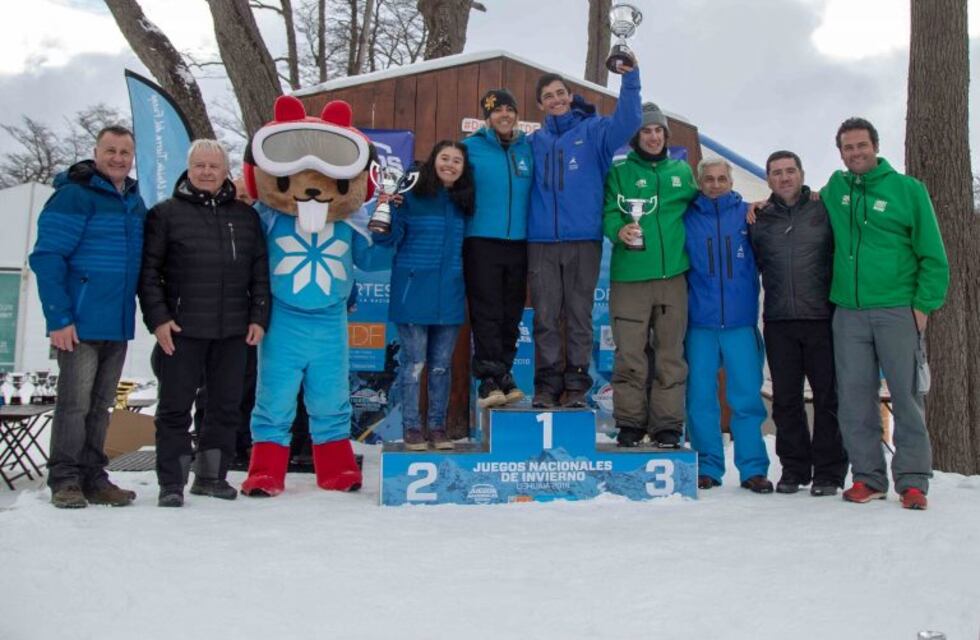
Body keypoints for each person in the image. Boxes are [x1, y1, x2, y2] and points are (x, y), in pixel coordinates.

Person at [821, 118, 949, 510]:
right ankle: (868, 477)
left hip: (896, 309)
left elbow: (933, 254)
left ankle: (912, 481)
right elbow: (804, 199)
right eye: (848, 147)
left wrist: (924, 305)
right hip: (849, 311)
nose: (855, 153)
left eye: (861, 145)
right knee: (855, 398)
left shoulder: (907, 190)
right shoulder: (836, 189)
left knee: (907, 397)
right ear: (840, 153)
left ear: (875, 146)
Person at [139, 139, 270, 507]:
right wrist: (159, 319)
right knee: (174, 408)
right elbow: (149, 273)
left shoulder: (246, 217)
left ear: (224, 171)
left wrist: (259, 316)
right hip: (181, 330)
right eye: (200, 165)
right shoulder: (165, 214)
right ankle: (172, 483)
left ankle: (212, 476)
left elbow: (260, 271)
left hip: (233, 330)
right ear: (189, 168)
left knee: (225, 406)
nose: (207, 172)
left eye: (214, 166)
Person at [29, 125, 146, 508]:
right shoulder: (74, 197)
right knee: (74, 404)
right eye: (110, 150)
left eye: (124, 152)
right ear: (95, 153)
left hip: (116, 322)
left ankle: (94, 475)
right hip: (78, 322)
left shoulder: (133, 201)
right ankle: (64, 478)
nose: (117, 158)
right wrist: (59, 317)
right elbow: (47, 257)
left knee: (101, 406)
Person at [526, 62, 642, 408]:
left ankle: (576, 385)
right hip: (542, 242)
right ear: (540, 105)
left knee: (579, 315)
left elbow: (630, 121)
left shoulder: (594, 132)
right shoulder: (534, 142)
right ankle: (547, 385)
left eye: (561, 93)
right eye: (548, 96)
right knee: (545, 316)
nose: (556, 99)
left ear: (570, 96)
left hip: (583, 241)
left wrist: (630, 77)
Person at [750, 150, 847, 496]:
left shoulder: (824, 210)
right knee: (786, 400)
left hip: (822, 317)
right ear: (768, 179)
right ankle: (794, 468)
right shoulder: (760, 218)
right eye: (776, 172)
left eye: (790, 171)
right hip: (779, 321)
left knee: (827, 398)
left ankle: (829, 471)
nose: (784, 177)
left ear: (802, 174)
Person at [602, 103, 697, 448]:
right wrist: (618, 230)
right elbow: (609, 210)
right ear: (636, 136)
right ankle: (629, 423)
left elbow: (707, 203)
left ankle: (667, 426)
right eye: (647, 131)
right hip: (629, 277)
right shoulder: (620, 171)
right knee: (630, 355)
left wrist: (747, 205)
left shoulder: (682, 172)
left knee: (670, 355)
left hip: (673, 277)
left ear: (666, 135)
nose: (654, 137)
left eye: (659, 131)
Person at [373, 140, 475, 450]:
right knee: (414, 364)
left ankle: (438, 427)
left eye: (457, 161)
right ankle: (412, 428)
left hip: (450, 295)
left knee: (442, 366)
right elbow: (386, 240)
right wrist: (387, 209)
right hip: (413, 292)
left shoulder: (463, 201)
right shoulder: (411, 195)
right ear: (433, 161)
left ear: (463, 169)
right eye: (445, 158)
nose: (450, 165)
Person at [684, 158, 772, 493]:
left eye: (722, 179)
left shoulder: (749, 215)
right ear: (700, 181)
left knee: (746, 398)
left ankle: (753, 469)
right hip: (700, 324)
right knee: (700, 399)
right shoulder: (688, 216)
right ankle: (707, 466)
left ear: (732, 182)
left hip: (740, 322)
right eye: (709, 179)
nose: (716, 184)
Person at [461, 89, 533, 408]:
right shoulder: (469, 148)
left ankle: (504, 372)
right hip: (481, 240)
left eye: (509, 109)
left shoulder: (527, 149)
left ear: (516, 114)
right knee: (487, 311)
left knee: (511, 313)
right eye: (497, 110)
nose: (504, 114)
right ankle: (488, 378)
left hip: (519, 242)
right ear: (487, 118)